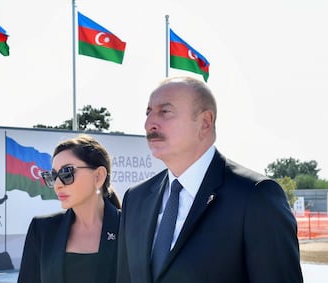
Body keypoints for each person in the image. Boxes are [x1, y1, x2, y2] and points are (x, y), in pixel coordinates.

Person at [116, 76, 303, 283]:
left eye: (165, 112)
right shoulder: (136, 198)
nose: (149, 123)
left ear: (205, 122)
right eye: (148, 112)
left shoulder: (255, 197)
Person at [17, 134, 121, 283]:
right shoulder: (42, 230)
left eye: (67, 173)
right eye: (53, 176)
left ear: (98, 176)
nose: (58, 184)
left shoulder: (129, 229)